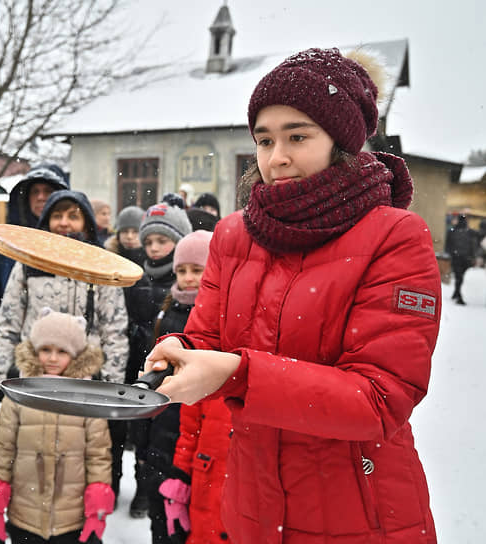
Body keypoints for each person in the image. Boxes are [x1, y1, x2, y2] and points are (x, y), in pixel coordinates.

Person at [145, 48, 441, 542]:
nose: (276, 158)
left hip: (359, 512)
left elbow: (379, 399)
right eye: (264, 140)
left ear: (341, 142)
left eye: (297, 137)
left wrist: (240, 374)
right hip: (251, 504)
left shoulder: (395, 236)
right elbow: (207, 338)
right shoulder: (234, 235)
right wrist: (183, 354)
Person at [0, 189, 129, 502]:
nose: (64, 223)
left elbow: (115, 328)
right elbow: (9, 320)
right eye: (57, 215)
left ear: (87, 222)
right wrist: (4, 373)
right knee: (32, 454)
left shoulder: (103, 266)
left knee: (79, 460)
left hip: (84, 381)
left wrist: (109, 384)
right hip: (36, 376)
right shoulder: (27, 263)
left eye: (72, 215)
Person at [0, 309, 114, 544]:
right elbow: (4, 450)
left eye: (62, 351)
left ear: (76, 355)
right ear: (34, 351)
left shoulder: (89, 399)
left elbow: (98, 455)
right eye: (46, 350)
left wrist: (97, 505)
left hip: (71, 519)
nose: (53, 358)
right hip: (25, 516)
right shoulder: (17, 396)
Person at [140, 229, 227, 544]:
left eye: (197, 270)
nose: (188, 278)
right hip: (163, 427)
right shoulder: (167, 311)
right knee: (162, 515)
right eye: (182, 271)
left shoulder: (219, 320)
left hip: (197, 433)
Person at [123, 203, 192, 518]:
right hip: (139, 367)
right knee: (142, 434)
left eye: (162, 241)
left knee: (168, 436)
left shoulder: (183, 287)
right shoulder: (135, 276)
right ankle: (142, 488)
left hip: (171, 376)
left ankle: (167, 488)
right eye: (148, 241)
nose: (153, 248)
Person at [0, 163, 69, 339]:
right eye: (35, 191)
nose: (41, 197)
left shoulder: (76, 242)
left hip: (68, 343)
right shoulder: (10, 241)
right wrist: (2, 328)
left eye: (47, 191)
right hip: (19, 344)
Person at [445, 213, 477, 305]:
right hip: (465, 258)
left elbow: (448, 245)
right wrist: (472, 257)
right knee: (460, 277)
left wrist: (450, 254)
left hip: (457, 257)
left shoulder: (452, 230)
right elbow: (473, 245)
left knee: (459, 277)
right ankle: (458, 295)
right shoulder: (468, 231)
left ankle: (456, 293)